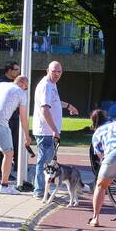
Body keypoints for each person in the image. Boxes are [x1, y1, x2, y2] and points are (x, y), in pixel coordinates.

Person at [31, 61, 79, 199]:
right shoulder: (46, 85)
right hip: (46, 131)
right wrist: (54, 130)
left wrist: (68, 106)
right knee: (45, 163)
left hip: (48, 131)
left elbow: (55, 102)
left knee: (48, 163)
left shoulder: (52, 84)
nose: (57, 74)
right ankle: (40, 191)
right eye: (54, 71)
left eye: (59, 72)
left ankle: (43, 190)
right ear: (48, 70)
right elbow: (45, 109)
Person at [0, 75, 31, 195]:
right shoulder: (21, 93)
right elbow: (23, 118)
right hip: (0, 122)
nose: (25, 90)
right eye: (26, 88)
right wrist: (27, 136)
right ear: (23, 84)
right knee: (8, 153)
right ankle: (4, 185)